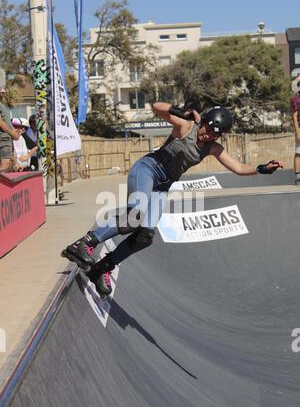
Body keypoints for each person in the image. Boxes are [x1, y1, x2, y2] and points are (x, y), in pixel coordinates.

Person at [61, 103, 283, 296]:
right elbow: (156, 108)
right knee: (134, 217)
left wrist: (262, 168)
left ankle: (102, 268)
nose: (207, 135)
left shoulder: (213, 148)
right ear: (203, 121)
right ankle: (85, 243)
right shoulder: (186, 127)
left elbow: (238, 167)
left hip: (163, 186)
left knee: (145, 236)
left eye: (214, 134)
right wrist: (178, 111)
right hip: (147, 170)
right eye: (207, 129)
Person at [0, 77, 21, 172]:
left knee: (10, 164)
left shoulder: (3, 105)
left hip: (7, 138)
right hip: (3, 138)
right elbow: (0, 122)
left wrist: (14, 132)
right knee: (5, 165)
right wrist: (12, 133)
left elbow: (6, 121)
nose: (3, 91)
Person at [291, 76, 300, 185]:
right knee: (298, 153)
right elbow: (294, 116)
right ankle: (298, 176)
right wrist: (298, 131)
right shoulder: (296, 99)